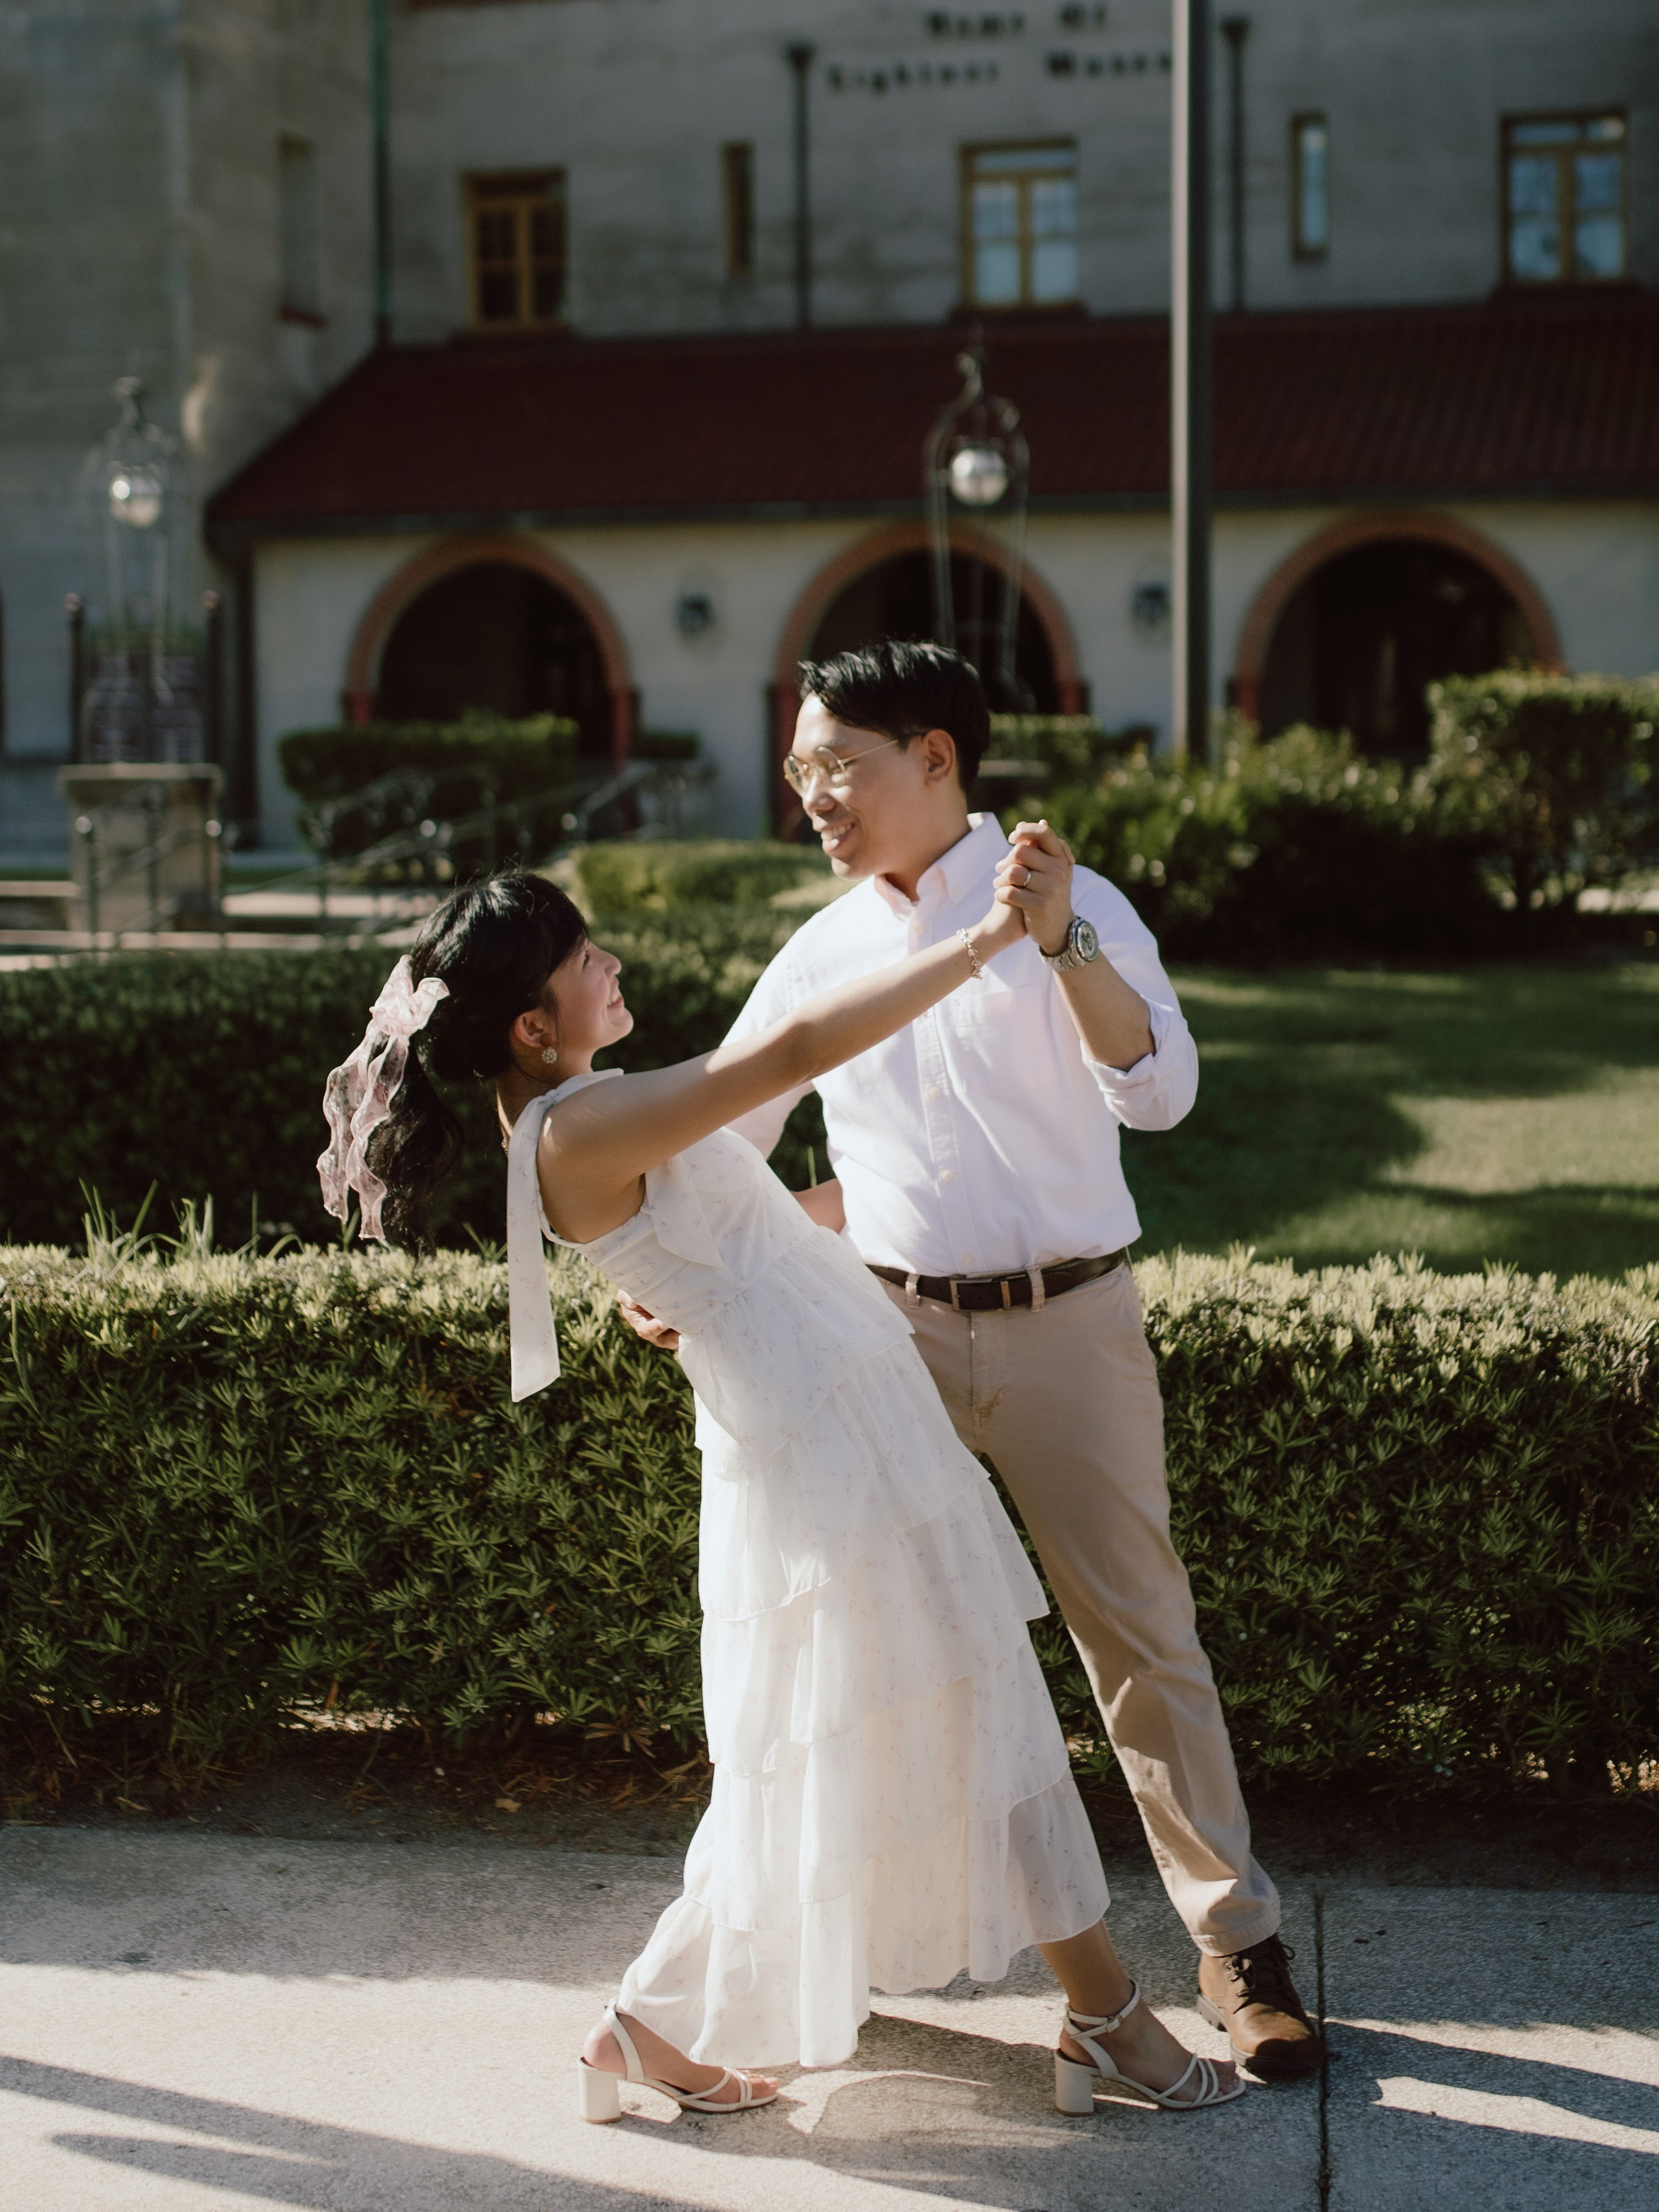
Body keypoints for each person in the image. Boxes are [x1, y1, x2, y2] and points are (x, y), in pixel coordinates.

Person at [318, 870, 1243, 2121]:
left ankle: (647, 2027)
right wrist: (980, 942)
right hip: (824, 1449)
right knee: (974, 1704)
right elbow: (792, 1049)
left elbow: (761, 1220)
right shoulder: (579, 1131)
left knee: (859, 1740)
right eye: (587, 960)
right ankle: (1107, 2017)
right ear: (534, 1026)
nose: (611, 967)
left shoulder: (584, 1109)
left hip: (842, 1423)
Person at [620, 640, 1321, 2082]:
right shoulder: (818, 949)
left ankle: (1236, 1951)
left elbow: (1164, 1096)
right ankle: (852, 1944)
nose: (814, 798)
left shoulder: (1077, 900)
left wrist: (1059, 942)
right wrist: (666, 1273)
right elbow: (723, 1149)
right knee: (882, 1648)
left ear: (936, 758)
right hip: (885, 1341)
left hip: (1071, 1326)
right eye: (801, 771)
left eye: (840, 768)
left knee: (1138, 1639)